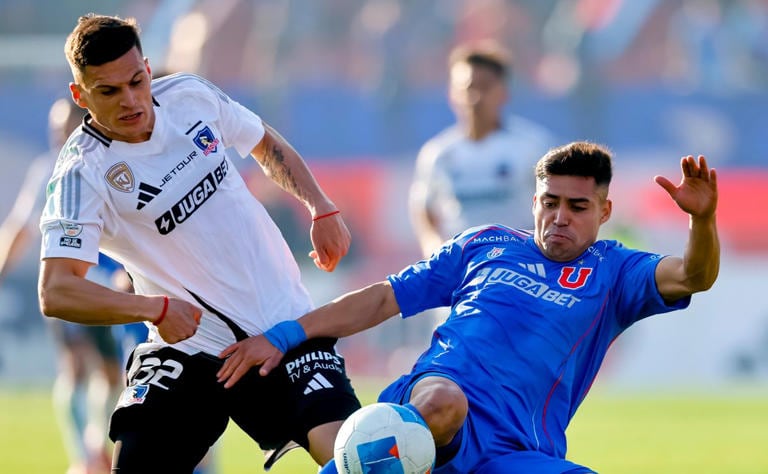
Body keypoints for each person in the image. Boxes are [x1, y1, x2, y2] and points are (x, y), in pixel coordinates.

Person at [216, 142, 720, 473]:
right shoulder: (485, 244)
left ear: (605, 211)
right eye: (550, 202)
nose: (560, 217)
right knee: (441, 405)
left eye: (578, 207)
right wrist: (286, 335)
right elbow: (385, 298)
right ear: (534, 202)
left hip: (518, 450)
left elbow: (694, 275)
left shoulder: (616, 271)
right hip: (435, 409)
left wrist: (703, 222)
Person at [38, 14, 360, 473]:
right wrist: (154, 310)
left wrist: (320, 205)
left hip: (281, 326)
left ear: (148, 69)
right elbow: (56, 291)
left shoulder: (189, 95)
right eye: (108, 92)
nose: (130, 101)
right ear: (80, 95)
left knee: (355, 458)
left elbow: (264, 144)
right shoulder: (80, 174)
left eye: (136, 81)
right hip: (186, 350)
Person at [0, 97, 124, 474]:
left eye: (65, 128)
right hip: (68, 281)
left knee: (110, 372)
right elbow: (20, 226)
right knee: (74, 367)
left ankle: (96, 445)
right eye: (55, 130)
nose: (60, 137)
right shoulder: (48, 171)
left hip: (106, 285)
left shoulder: (105, 161)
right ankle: (84, 456)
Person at [409, 41, 556, 258]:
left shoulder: (533, 146)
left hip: (519, 265)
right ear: (452, 94)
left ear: (503, 93)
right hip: (462, 270)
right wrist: (433, 247)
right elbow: (424, 207)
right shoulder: (438, 153)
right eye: (468, 88)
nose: (475, 97)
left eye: (485, 87)